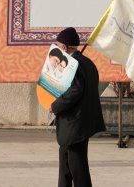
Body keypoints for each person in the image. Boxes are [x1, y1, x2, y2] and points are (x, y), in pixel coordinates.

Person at [49, 27, 105, 187]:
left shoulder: (74, 65)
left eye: (58, 45)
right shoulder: (88, 63)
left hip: (74, 124)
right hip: (78, 124)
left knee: (77, 168)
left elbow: (75, 90)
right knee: (66, 165)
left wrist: (55, 106)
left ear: (64, 48)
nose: (57, 49)